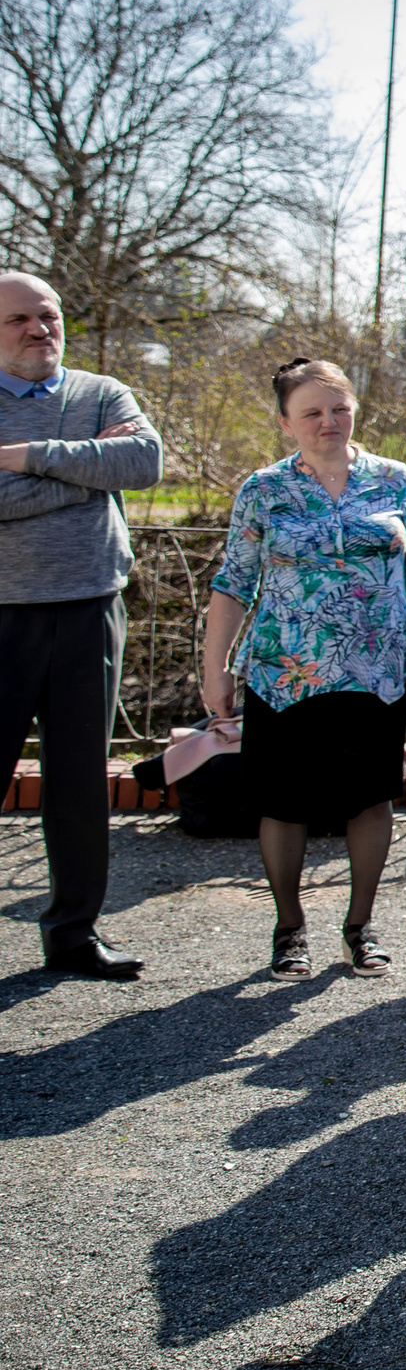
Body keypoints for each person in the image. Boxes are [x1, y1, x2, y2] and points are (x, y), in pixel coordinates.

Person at [203, 359, 406, 980]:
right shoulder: (264, 490)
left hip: (378, 671)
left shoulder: (394, 480)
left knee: (370, 801)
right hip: (285, 674)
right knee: (284, 805)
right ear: (286, 421)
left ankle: (359, 929)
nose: (328, 422)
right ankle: (290, 929)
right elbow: (233, 583)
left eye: (338, 408)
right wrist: (215, 667)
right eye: (311, 411)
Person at [0, 271, 163, 979]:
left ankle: (74, 932)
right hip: (5, 614)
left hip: (90, 609)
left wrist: (31, 457)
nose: (40, 329)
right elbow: (110, 465)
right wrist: (87, 476)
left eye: (49, 315)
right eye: (19, 320)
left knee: (78, 782)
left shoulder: (101, 392)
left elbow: (143, 461)